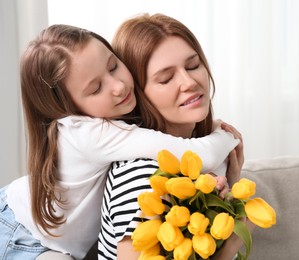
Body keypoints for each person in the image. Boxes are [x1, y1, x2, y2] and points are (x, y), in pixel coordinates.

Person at [0, 24, 241, 260]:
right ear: (67, 108)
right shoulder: (89, 133)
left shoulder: (119, 124)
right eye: (95, 88)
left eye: (114, 66)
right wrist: (226, 134)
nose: (118, 86)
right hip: (17, 231)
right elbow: (200, 155)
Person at [98, 13, 245, 259]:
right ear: (138, 95)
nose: (189, 82)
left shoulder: (199, 164)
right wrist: (234, 239)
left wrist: (229, 191)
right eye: (165, 78)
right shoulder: (142, 175)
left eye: (193, 65)